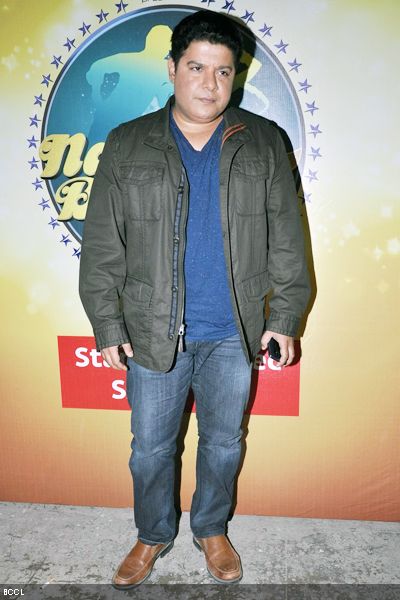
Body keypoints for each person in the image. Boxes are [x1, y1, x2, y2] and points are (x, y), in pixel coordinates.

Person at [79, 10, 310, 589]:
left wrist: (284, 316)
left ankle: (211, 528)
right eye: (197, 68)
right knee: (150, 451)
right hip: (152, 331)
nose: (209, 84)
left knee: (224, 443)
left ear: (236, 76)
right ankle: (153, 533)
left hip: (233, 331)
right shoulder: (127, 143)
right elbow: (102, 244)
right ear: (172, 68)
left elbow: (287, 238)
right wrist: (107, 323)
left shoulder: (264, 141)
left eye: (223, 71)